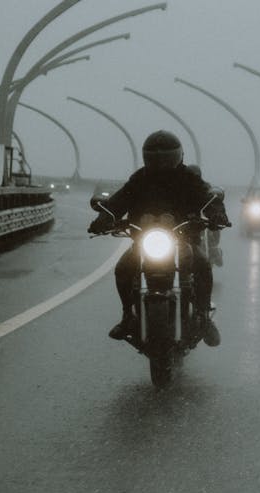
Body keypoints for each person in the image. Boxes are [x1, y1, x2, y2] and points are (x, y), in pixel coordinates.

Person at [88, 130, 231, 346]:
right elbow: (119, 201)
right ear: (147, 158)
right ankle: (128, 316)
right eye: (156, 157)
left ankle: (203, 317)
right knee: (123, 269)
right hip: (145, 240)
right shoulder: (139, 179)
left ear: (178, 156)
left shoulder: (188, 178)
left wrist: (216, 213)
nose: (161, 162)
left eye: (166, 156)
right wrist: (104, 217)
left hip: (183, 239)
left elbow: (207, 196)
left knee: (202, 265)